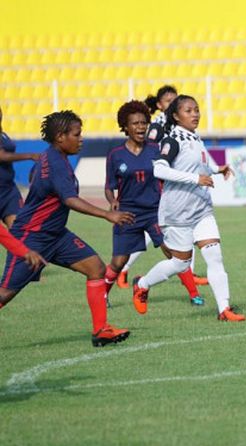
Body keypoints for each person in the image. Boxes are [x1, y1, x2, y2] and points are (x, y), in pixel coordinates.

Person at [0, 111, 134, 346]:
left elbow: (38, 176)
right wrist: (107, 214)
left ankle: (101, 330)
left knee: (96, 268)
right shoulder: (55, 163)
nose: (81, 138)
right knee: (5, 294)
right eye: (77, 134)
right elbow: (70, 200)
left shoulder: (52, 157)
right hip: (32, 237)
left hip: (56, 235)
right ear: (61, 137)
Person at [131, 95, 243, 322]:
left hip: (201, 209)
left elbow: (198, 166)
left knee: (214, 256)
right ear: (175, 116)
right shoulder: (172, 140)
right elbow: (159, 170)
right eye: (189, 110)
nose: (195, 114)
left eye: (197, 109)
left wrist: (215, 169)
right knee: (180, 263)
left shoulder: (195, 138)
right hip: (176, 211)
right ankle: (142, 284)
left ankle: (224, 309)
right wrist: (196, 178)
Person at [103, 100, 204, 306]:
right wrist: (113, 201)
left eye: (143, 123)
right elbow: (108, 186)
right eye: (135, 123)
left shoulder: (156, 149)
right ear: (125, 126)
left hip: (156, 211)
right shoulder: (115, 155)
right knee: (119, 261)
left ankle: (194, 294)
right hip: (127, 214)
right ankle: (103, 295)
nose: (141, 127)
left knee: (173, 252)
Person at [0, 104, 41, 228]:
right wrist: (30, 155)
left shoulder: (3, 134)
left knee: (19, 232)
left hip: (8, 190)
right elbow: (2, 156)